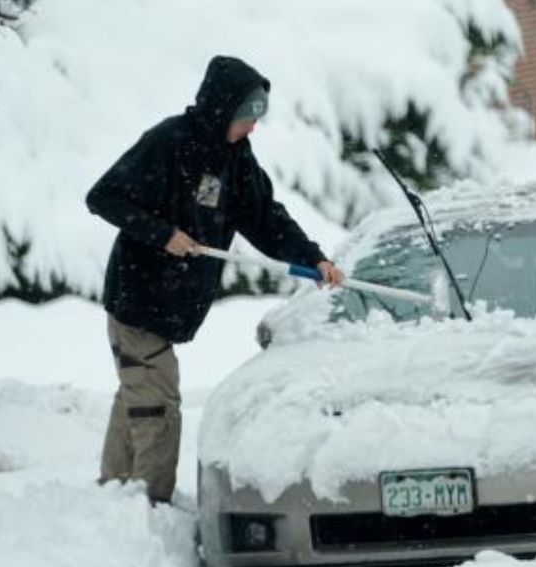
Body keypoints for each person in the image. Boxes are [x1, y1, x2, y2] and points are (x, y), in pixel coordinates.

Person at [85, 55, 344, 503]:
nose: (251, 128)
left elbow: (266, 219)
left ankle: (114, 497)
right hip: (138, 297)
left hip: (171, 305)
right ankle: (148, 505)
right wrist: (163, 234)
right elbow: (103, 197)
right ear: (221, 108)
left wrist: (313, 258)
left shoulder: (236, 160)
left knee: (138, 392)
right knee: (156, 405)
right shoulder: (169, 142)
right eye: (246, 118)